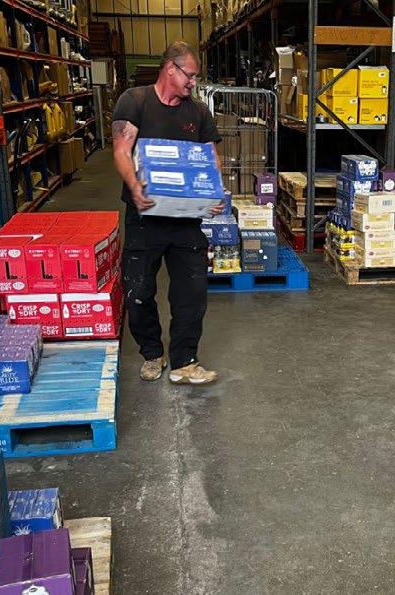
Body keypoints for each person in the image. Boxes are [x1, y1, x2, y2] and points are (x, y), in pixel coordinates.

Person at [111, 41, 224, 385]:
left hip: (186, 220)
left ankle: (184, 361)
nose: (193, 82)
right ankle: (151, 352)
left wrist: (214, 192)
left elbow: (209, 158)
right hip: (145, 218)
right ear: (170, 69)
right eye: (190, 75)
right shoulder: (135, 101)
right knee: (138, 289)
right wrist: (134, 185)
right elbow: (121, 150)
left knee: (192, 291)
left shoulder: (198, 112)